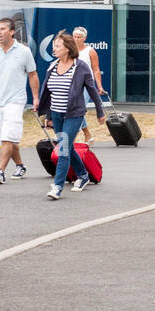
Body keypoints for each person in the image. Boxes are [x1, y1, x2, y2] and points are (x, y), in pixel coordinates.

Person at [37, 32, 105, 200]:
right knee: (66, 144)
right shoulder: (52, 66)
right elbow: (48, 93)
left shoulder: (80, 67)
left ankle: (58, 186)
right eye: (54, 45)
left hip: (74, 114)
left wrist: (100, 111)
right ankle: (82, 175)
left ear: (67, 49)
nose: (54, 48)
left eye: (57, 45)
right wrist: (47, 116)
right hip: (57, 114)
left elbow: (92, 90)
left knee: (64, 147)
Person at [0, 16, 40, 184]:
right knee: (3, 138)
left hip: (16, 100)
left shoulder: (24, 51)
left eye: (3, 29)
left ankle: (0, 171)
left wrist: (36, 98)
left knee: (8, 136)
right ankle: (20, 165)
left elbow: (33, 74)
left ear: (12, 32)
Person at [73, 26, 105, 145]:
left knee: (79, 109)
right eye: (74, 36)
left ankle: (72, 140)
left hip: (86, 85)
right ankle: (87, 134)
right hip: (72, 85)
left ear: (84, 38)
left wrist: (99, 86)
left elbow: (96, 69)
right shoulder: (69, 50)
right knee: (75, 110)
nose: (76, 39)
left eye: (79, 37)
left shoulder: (90, 51)